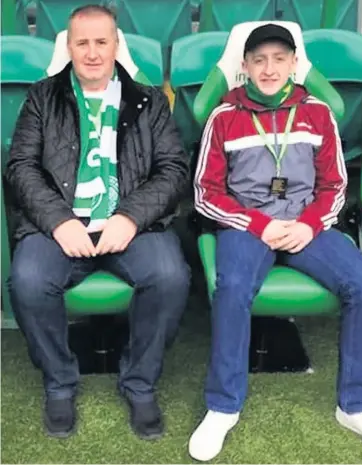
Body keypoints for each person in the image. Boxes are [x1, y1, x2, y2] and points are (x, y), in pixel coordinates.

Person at [190, 24, 362, 461]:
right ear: (245, 67)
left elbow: (334, 185)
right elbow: (206, 191)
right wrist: (257, 224)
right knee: (233, 287)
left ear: (295, 64)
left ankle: (357, 405)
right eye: (259, 60)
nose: (269, 68)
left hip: (304, 226)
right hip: (247, 226)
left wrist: (310, 225)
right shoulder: (225, 115)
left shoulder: (316, 112)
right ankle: (223, 406)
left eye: (279, 59)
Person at [6, 4, 190, 440]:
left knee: (170, 278)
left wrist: (130, 216)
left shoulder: (147, 99)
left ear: (115, 46)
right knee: (28, 281)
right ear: (68, 47)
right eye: (82, 43)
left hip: (131, 225)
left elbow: (173, 169)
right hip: (62, 226)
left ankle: (140, 382)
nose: (92, 53)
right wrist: (58, 220)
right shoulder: (42, 98)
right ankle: (60, 382)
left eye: (101, 42)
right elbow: (21, 167)